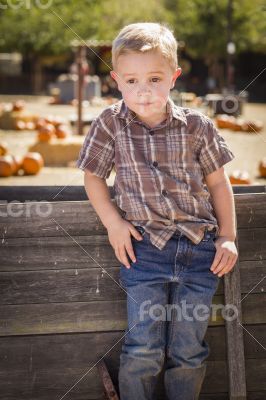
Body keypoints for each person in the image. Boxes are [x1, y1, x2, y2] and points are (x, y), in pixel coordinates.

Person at [76, 22, 238, 400]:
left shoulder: (198, 126)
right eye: (131, 80)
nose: (143, 90)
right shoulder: (110, 124)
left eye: (154, 78)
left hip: (200, 252)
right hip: (143, 251)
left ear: (174, 77)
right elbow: (93, 178)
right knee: (144, 349)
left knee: (188, 350)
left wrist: (228, 237)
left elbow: (218, 184)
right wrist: (114, 224)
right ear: (116, 79)